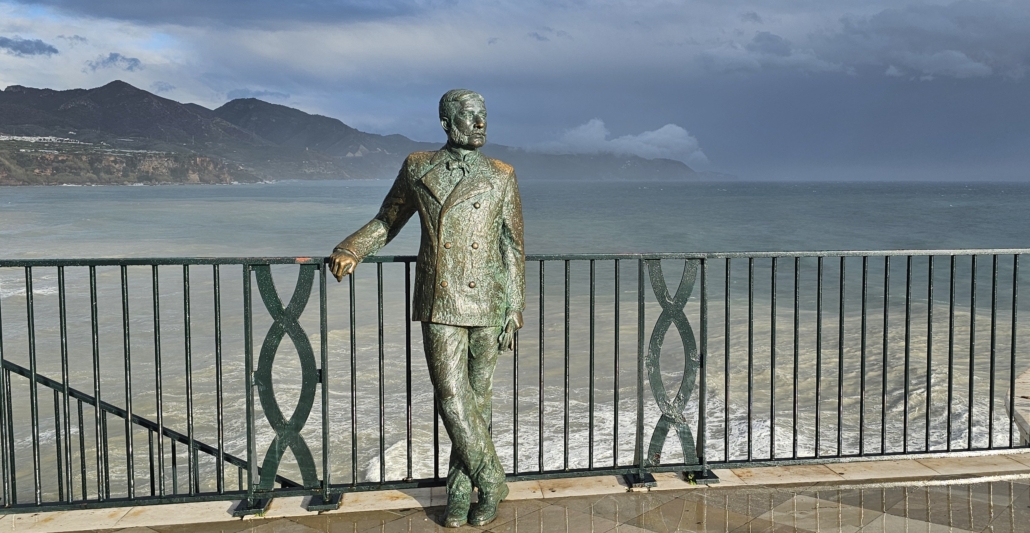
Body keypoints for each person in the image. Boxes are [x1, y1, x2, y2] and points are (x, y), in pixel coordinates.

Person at [328, 89, 525, 528]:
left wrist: (515, 306)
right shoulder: (419, 167)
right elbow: (388, 220)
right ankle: (493, 481)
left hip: (489, 302)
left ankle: (461, 493)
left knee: (479, 401)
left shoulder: (501, 174)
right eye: (470, 115)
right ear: (445, 121)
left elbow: (512, 247)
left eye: (483, 116)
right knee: (453, 398)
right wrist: (352, 248)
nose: (480, 123)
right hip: (439, 298)